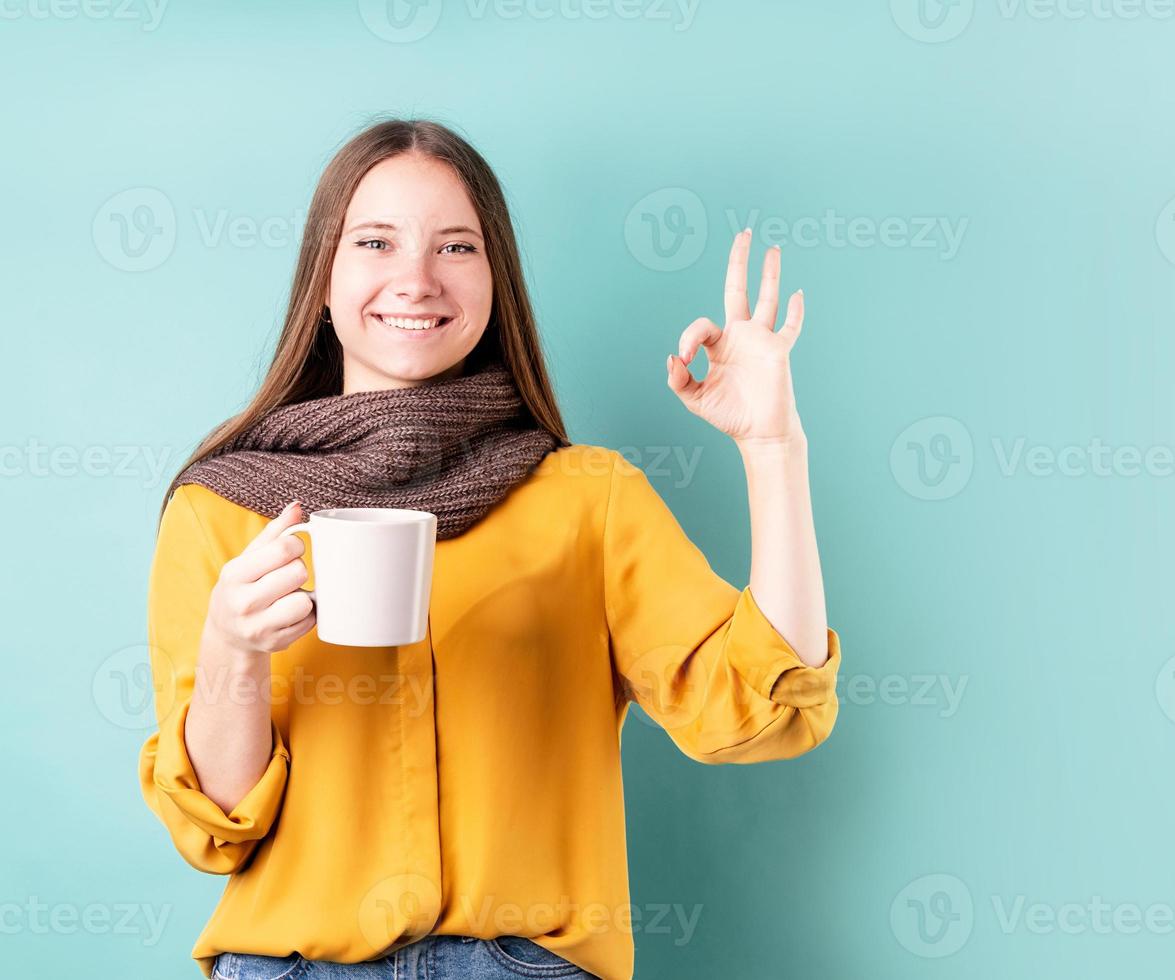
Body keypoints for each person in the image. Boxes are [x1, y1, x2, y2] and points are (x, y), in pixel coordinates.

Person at [137, 117, 843, 980]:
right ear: (322, 277)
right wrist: (233, 652)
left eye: (456, 248)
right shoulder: (219, 510)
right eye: (375, 241)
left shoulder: (586, 496)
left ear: (494, 279)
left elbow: (762, 713)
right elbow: (211, 827)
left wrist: (774, 448)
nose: (416, 279)